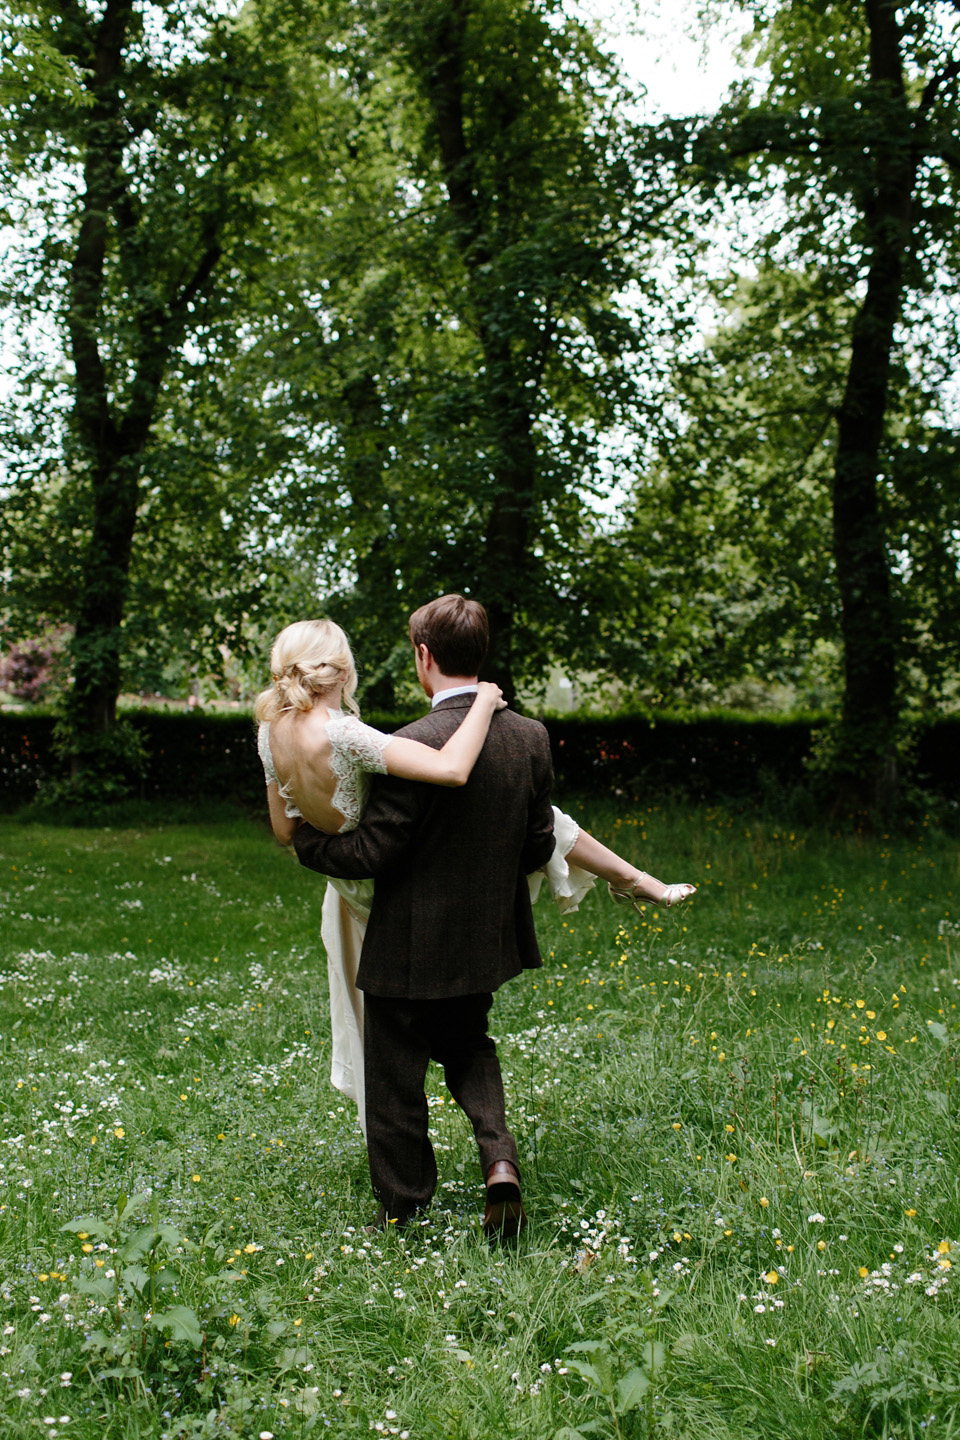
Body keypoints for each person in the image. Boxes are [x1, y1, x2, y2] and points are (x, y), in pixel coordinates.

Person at [274, 597, 693, 1237]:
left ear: (423, 656)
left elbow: (373, 852)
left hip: (406, 942)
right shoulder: (529, 738)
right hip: (482, 938)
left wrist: (308, 845)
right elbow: (537, 840)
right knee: (470, 1046)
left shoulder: (408, 743)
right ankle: (499, 1160)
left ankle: (404, 1207)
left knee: (394, 1074)